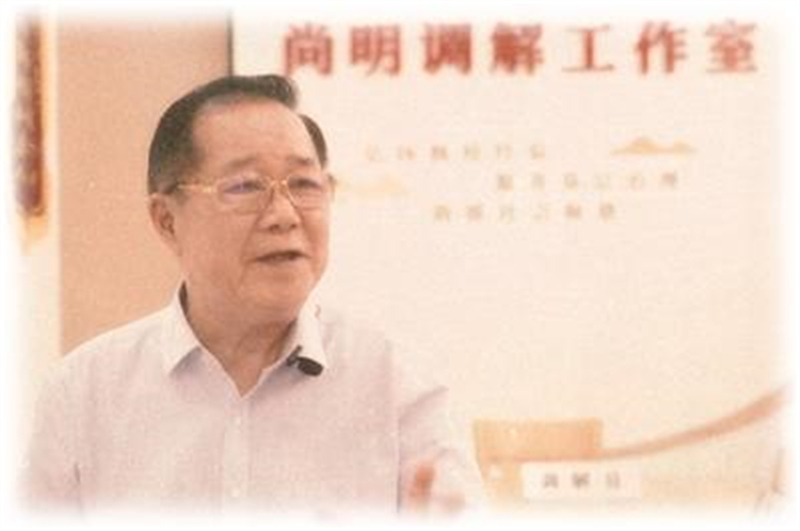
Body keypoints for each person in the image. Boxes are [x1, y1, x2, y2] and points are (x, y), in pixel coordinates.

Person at [23, 75, 482, 515]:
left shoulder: (402, 389)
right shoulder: (81, 395)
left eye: (304, 185)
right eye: (245, 187)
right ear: (167, 220)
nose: (284, 215)